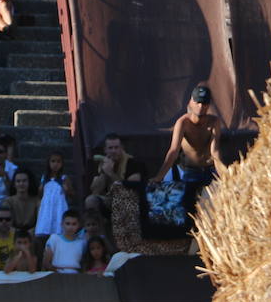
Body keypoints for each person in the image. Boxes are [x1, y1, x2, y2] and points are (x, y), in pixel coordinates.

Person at [151, 84, 223, 222]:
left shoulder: (214, 122)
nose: (200, 106)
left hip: (208, 170)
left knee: (215, 207)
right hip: (189, 171)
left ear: (208, 105)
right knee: (185, 209)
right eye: (198, 102)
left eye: (204, 103)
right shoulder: (183, 123)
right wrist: (159, 177)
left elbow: (215, 152)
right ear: (191, 102)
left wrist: (223, 176)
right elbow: (173, 151)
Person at [85, 133, 145, 216]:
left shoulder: (132, 163)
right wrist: (104, 173)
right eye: (110, 148)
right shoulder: (102, 163)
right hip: (109, 199)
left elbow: (129, 189)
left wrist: (111, 173)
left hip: (128, 200)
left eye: (116, 148)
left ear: (122, 148)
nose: (113, 151)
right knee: (90, 200)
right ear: (105, 150)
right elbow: (95, 190)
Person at [35, 152, 77, 239]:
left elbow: (72, 193)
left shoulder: (64, 178)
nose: (55, 164)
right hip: (47, 206)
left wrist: (67, 190)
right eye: (53, 161)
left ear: (62, 164)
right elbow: (40, 194)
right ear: (48, 163)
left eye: (58, 162)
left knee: (58, 226)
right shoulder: (44, 178)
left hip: (59, 205)